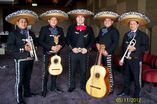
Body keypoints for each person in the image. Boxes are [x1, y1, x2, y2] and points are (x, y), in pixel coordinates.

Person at [6, 10, 38, 104]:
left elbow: (36, 43)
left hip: (30, 59)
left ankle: (27, 93)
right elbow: (9, 47)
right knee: (19, 80)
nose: (24, 23)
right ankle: (19, 99)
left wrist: (34, 47)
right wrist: (23, 48)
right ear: (17, 23)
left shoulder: (31, 33)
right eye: (22, 21)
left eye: (25, 22)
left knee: (27, 78)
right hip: (20, 60)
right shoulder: (13, 33)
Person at [117, 12, 150, 98]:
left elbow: (146, 47)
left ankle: (136, 95)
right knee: (126, 77)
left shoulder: (143, 35)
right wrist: (122, 59)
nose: (132, 25)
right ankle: (126, 91)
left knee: (136, 79)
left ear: (138, 25)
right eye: (130, 24)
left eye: (134, 24)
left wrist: (135, 48)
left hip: (136, 60)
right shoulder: (126, 35)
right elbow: (123, 48)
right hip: (127, 60)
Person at [39, 10, 68, 97]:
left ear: (57, 21)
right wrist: (51, 47)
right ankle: (44, 89)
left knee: (55, 70)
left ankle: (53, 87)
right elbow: (40, 41)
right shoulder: (44, 29)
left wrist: (60, 46)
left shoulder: (60, 29)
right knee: (45, 72)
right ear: (48, 21)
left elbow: (63, 41)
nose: (54, 21)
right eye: (52, 19)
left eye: (55, 20)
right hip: (47, 53)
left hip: (57, 54)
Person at [66, 9, 95, 92]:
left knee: (84, 71)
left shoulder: (89, 28)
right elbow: (67, 39)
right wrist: (72, 48)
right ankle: (72, 86)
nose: (80, 19)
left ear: (84, 19)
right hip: (73, 53)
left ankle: (83, 86)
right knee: (72, 70)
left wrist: (87, 49)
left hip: (84, 53)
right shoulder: (71, 28)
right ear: (76, 19)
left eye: (82, 17)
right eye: (78, 17)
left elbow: (92, 40)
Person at [94, 11, 120, 93]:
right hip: (100, 53)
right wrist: (97, 43)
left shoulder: (114, 31)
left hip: (108, 54)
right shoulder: (102, 30)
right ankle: (103, 84)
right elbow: (97, 38)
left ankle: (110, 88)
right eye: (105, 20)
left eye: (109, 20)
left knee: (109, 71)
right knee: (101, 69)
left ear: (112, 22)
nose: (107, 22)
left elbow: (115, 43)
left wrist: (107, 51)